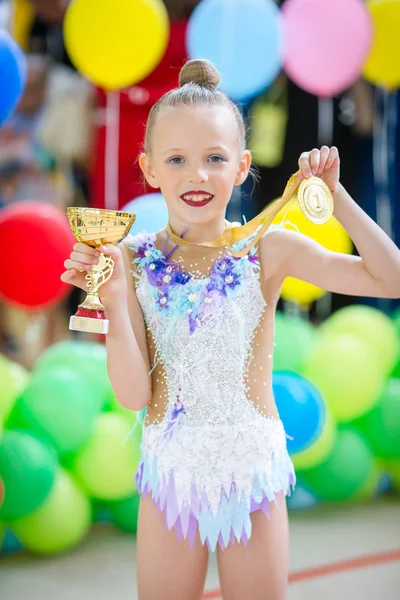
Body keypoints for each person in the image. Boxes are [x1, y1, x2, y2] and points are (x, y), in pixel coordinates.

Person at [61, 59, 400, 600]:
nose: (197, 175)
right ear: (149, 169)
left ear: (242, 166)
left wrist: (337, 201)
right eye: (177, 159)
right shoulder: (128, 260)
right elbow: (132, 394)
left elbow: (391, 278)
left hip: (252, 475)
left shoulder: (268, 247)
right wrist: (116, 301)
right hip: (171, 476)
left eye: (214, 158)